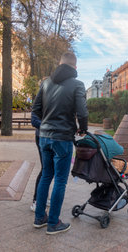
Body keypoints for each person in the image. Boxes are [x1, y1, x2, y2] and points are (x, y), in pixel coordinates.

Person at [32, 51, 88, 235]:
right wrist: (83, 129)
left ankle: (40, 217)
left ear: (59, 63)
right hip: (62, 138)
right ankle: (54, 223)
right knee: (60, 181)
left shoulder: (46, 82)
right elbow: (82, 112)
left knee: (46, 176)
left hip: (44, 137)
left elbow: (36, 109)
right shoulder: (77, 84)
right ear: (75, 67)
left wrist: (47, 124)